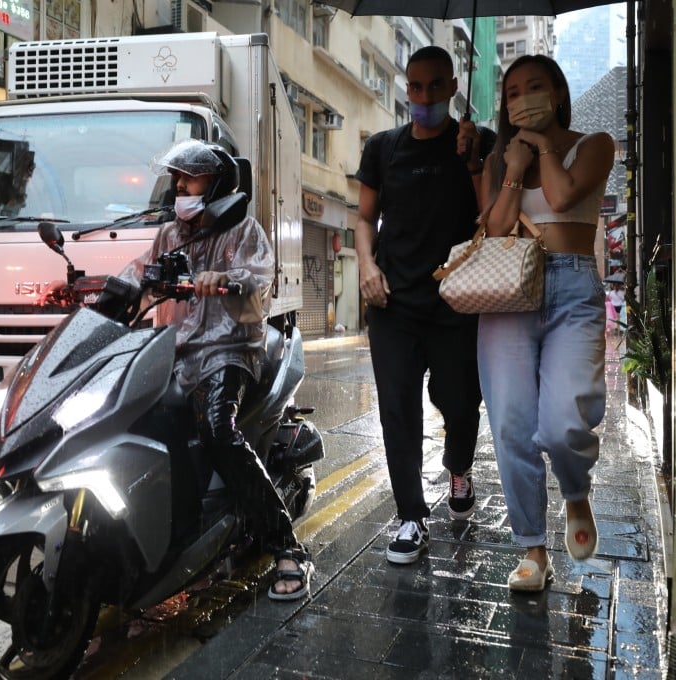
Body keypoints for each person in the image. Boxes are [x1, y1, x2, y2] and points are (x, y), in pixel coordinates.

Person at [117, 139, 313, 601]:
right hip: (173, 354)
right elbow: (138, 273)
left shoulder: (244, 231)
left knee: (217, 431)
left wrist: (225, 280)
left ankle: (285, 545)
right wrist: (99, 287)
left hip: (229, 352)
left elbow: (259, 277)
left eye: (190, 178)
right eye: (178, 179)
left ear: (217, 183)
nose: (180, 186)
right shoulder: (169, 235)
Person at [477, 55, 615, 592]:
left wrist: (541, 146)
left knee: (562, 424)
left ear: (559, 93)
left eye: (535, 87)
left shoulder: (594, 144)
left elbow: (561, 196)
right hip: (508, 292)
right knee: (512, 424)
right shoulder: (500, 159)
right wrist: (511, 168)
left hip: (573, 287)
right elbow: (496, 226)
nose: (521, 99)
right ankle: (533, 546)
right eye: (512, 92)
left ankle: (575, 490)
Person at [354, 46, 494, 565]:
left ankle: (458, 465)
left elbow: (493, 218)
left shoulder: (476, 144)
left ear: (453, 86)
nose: (425, 96)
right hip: (393, 302)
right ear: (405, 89)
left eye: (436, 86)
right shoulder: (383, 148)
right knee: (397, 409)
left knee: (459, 402)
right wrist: (367, 266)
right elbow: (365, 218)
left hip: (459, 301)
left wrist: (476, 160)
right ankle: (411, 516)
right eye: (415, 86)